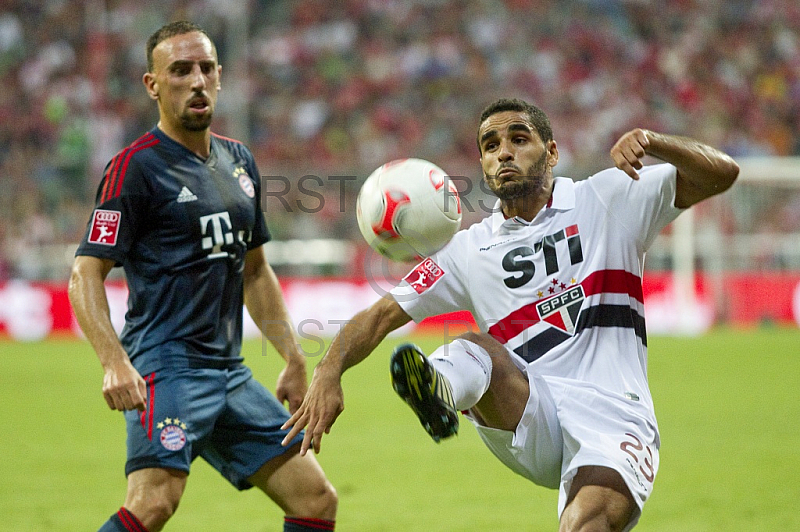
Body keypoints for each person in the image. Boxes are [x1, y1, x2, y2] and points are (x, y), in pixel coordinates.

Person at [282, 98, 739, 531]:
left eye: (519, 139)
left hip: (615, 415)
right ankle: (440, 393)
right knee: (472, 347)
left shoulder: (608, 197)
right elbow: (381, 315)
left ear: (552, 152)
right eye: (491, 146)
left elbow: (722, 173)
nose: (504, 153)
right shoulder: (468, 249)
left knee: (588, 523)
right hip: (529, 410)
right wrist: (328, 371)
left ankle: (450, 391)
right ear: (482, 164)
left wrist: (654, 141)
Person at [68, 21, 337, 532]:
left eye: (206, 68)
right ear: (153, 85)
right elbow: (85, 273)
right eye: (180, 70)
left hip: (228, 371)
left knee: (315, 499)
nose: (196, 80)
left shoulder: (239, 161)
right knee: (153, 503)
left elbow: (255, 271)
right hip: (165, 367)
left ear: (220, 76)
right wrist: (113, 361)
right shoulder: (134, 168)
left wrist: (293, 357)